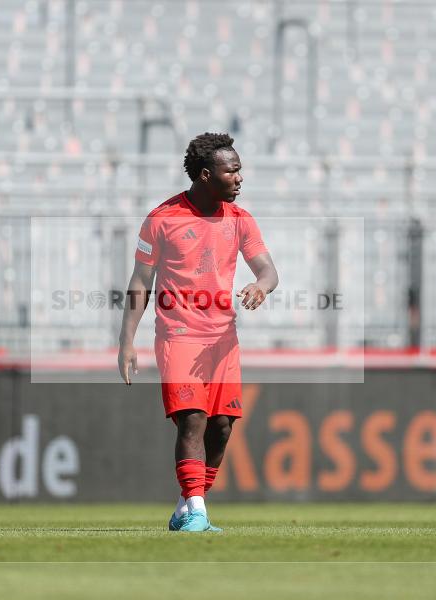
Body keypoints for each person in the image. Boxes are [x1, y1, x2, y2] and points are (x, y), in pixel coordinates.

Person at [117, 132, 278, 532]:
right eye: (233, 171)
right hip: (178, 334)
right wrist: (126, 342)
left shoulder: (240, 220)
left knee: (222, 426)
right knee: (193, 419)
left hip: (223, 338)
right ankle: (198, 512)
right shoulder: (162, 218)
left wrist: (261, 286)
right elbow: (141, 282)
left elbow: (268, 270)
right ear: (207, 175)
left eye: (240, 170)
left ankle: (187, 506)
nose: (240, 178)